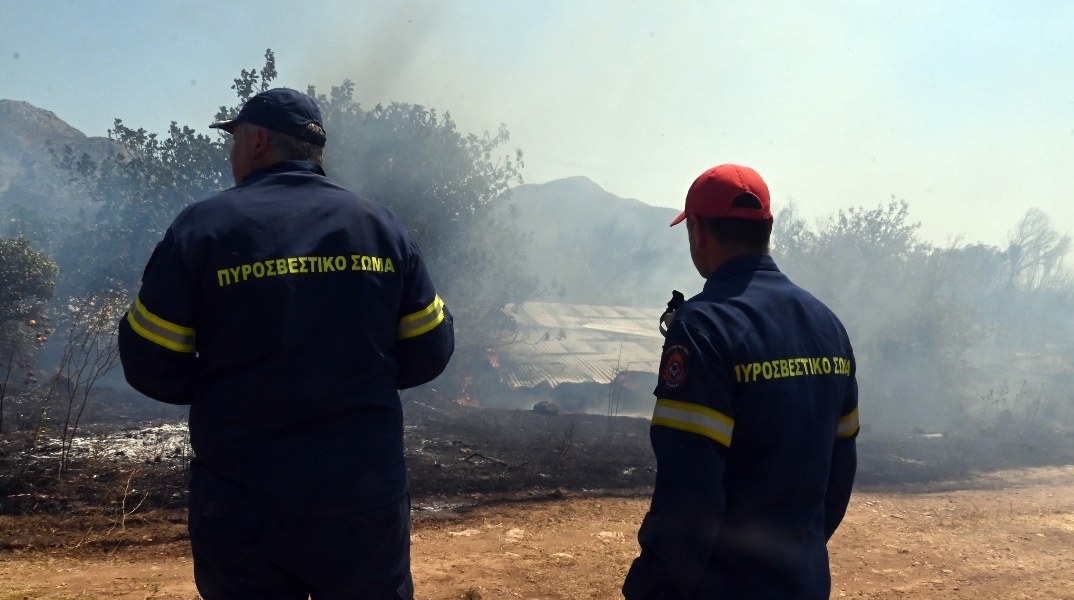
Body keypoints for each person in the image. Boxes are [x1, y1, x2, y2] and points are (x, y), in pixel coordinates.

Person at [118, 88, 453, 600]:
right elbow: (431, 347)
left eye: (233, 142)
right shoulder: (380, 227)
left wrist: (226, 388)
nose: (230, 155)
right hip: (361, 502)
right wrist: (357, 377)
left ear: (255, 141)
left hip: (243, 503)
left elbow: (149, 360)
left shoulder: (203, 227)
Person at [622, 164, 858, 599]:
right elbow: (839, 472)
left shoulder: (702, 327)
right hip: (803, 582)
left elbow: (690, 493)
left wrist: (653, 587)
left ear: (698, 231)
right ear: (767, 228)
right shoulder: (828, 325)